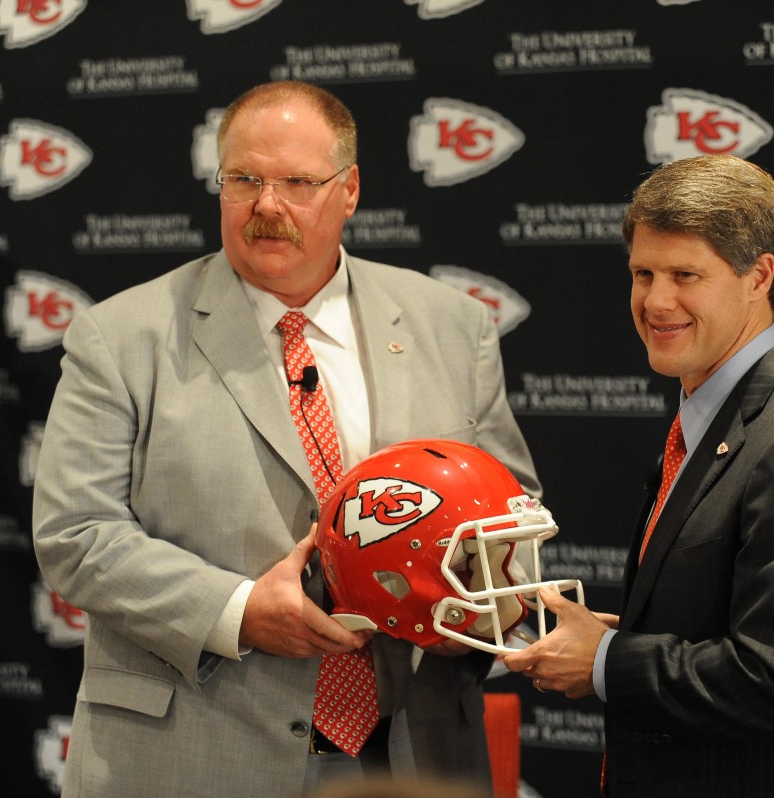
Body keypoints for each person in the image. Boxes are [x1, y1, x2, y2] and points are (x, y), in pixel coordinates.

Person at [32, 80, 538, 797]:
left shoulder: (451, 325)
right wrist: (236, 612)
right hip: (198, 753)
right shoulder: (121, 337)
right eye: (245, 179)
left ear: (350, 190)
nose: (267, 205)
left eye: (297, 182)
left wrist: (475, 596)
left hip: (409, 753)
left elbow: (511, 509)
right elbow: (75, 535)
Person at [503, 155, 774, 797]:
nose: (656, 301)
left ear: (759, 276)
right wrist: (620, 637)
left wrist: (605, 661)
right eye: (643, 273)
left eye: (685, 274)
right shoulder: (711, 421)